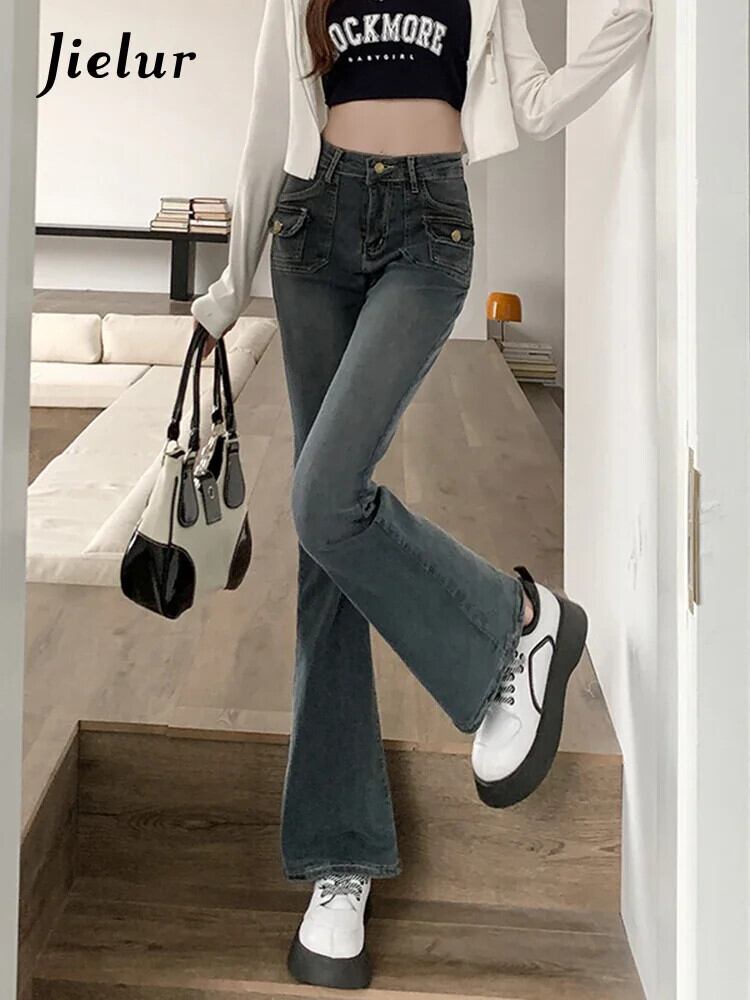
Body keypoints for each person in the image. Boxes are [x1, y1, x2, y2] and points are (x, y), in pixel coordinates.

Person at [191, 0, 653, 989]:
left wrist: (629, 26)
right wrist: (230, 283)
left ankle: (516, 621)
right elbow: (271, 115)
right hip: (312, 227)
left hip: (427, 228)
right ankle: (340, 862)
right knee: (325, 545)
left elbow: (530, 102)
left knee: (324, 498)